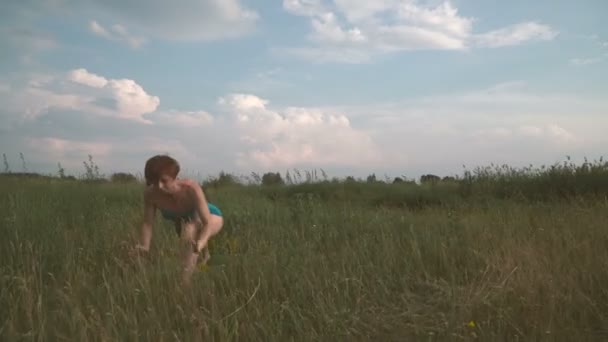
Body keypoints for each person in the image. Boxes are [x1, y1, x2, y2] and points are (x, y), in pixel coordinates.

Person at [134, 154, 224, 285]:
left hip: (210, 216)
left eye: (164, 180)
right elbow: (148, 223)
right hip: (182, 221)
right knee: (189, 240)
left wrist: (202, 241)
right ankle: (205, 258)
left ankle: (184, 285)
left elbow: (207, 222)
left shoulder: (190, 188)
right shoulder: (150, 194)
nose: (158, 186)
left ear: (175, 177)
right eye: (153, 181)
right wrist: (145, 246)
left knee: (190, 231)